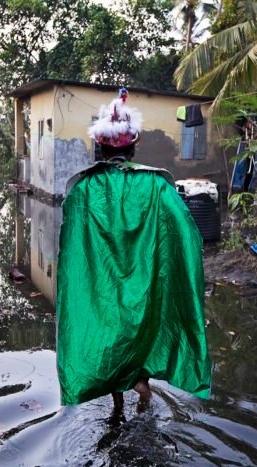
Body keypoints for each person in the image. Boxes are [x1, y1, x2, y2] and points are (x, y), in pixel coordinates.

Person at [56, 88, 211, 419]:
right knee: (144, 327)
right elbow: (185, 232)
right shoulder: (156, 186)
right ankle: (142, 390)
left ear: (98, 146)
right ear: (133, 146)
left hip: (105, 287)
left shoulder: (83, 189)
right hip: (144, 282)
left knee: (112, 332)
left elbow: (72, 251)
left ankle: (117, 406)